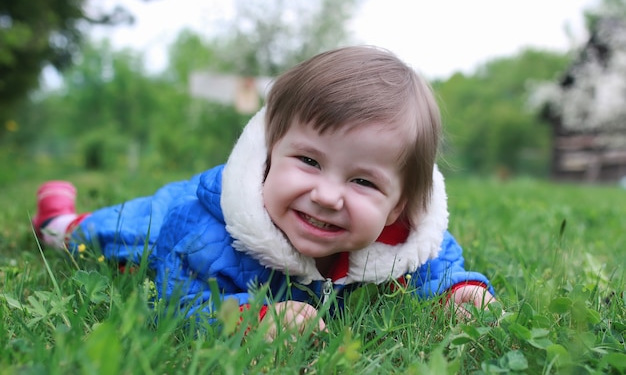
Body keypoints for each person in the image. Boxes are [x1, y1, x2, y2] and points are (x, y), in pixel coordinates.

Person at [32, 46, 496, 336]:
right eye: (309, 161)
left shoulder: (403, 240)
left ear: (399, 208)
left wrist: (458, 291)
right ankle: (59, 221)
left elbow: (433, 263)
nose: (328, 195)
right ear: (271, 153)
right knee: (114, 232)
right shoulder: (206, 231)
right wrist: (247, 316)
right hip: (178, 217)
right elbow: (179, 301)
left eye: (363, 181)